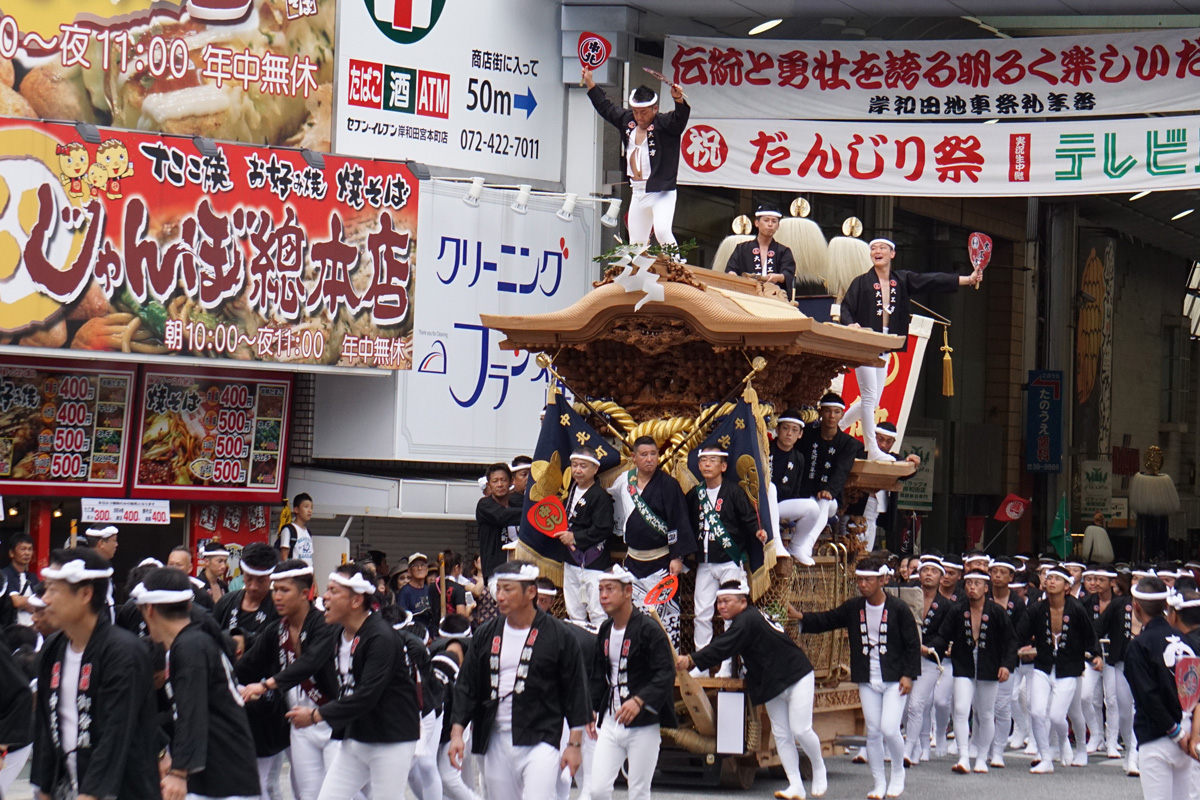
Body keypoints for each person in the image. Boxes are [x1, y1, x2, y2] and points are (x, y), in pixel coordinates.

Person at [448, 561, 591, 800]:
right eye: (499, 589)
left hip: (541, 737)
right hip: (495, 736)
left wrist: (574, 745)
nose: (500, 596)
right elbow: (467, 686)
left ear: (530, 592)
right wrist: (456, 734)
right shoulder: (486, 633)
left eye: (508, 589)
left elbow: (576, 690)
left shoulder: (559, 635)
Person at [32, 548, 161, 799]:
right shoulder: (53, 648)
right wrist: (44, 788)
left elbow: (117, 731)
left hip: (120, 790)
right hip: (68, 785)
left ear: (85, 594)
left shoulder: (123, 651)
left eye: (53, 590)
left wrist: (91, 794)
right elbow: (47, 726)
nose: (45, 599)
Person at [682, 579, 827, 800]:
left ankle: (819, 768)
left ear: (743, 602)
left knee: (800, 729)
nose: (721, 606)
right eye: (719, 602)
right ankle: (795, 784)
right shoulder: (744, 619)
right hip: (770, 681)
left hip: (795, 674)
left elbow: (723, 646)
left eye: (727, 601)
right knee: (781, 734)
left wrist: (692, 660)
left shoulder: (747, 619)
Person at [287, 563, 421, 800]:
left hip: (391, 738)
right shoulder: (340, 633)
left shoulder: (381, 637)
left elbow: (367, 695)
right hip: (357, 736)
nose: (324, 597)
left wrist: (316, 716)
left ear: (356, 600)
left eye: (333, 591)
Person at [840, 238, 981, 460]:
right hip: (866, 342)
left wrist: (967, 279)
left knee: (874, 401)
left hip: (887, 343)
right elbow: (846, 306)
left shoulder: (902, 280)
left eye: (882, 248)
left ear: (892, 254)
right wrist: (850, 324)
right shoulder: (861, 282)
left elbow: (931, 280)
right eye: (873, 248)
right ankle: (872, 449)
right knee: (868, 397)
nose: (877, 252)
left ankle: (838, 427)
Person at [793, 556, 920, 799]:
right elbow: (829, 619)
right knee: (872, 730)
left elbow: (912, 644)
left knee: (890, 728)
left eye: (868, 580)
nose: (862, 584)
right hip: (867, 676)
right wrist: (801, 617)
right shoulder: (854, 607)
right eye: (859, 579)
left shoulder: (898, 608)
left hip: (895, 677)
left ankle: (898, 774)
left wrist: (908, 675)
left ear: (882, 580)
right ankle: (878, 782)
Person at [136, 567, 260, 800]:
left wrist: (179, 772)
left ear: (149, 609)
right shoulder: (192, 640)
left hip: (224, 780)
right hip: (218, 774)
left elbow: (191, 712)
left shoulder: (189, 646)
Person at [238, 561, 340, 800]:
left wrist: (266, 685)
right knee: (307, 793)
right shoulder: (276, 630)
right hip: (299, 722)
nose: (277, 597)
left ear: (305, 594)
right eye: (275, 590)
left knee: (342, 792)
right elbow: (246, 667)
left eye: (284, 590)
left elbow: (310, 663)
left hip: (335, 719)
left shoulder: (325, 625)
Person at [588, 564, 675, 800]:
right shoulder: (605, 629)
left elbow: (666, 672)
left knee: (638, 792)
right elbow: (599, 674)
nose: (603, 596)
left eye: (610, 589)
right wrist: (592, 709)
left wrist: (639, 700)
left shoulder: (649, 629)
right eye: (601, 590)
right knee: (597, 790)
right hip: (610, 719)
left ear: (628, 592)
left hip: (643, 723)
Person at [212, 543, 286, 799]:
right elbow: (210, 639)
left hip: (264, 701)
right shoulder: (227, 603)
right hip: (229, 699)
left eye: (262, 580)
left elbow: (281, 649)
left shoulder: (279, 607)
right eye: (249, 578)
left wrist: (247, 638)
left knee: (265, 783)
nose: (254, 586)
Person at [583, 69, 689, 248]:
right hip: (638, 191)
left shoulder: (664, 124)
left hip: (661, 192)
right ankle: (639, 274)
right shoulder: (628, 120)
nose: (639, 117)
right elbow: (606, 108)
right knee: (636, 243)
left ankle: (677, 270)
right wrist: (590, 83)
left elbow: (680, 119)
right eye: (636, 112)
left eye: (644, 112)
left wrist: (678, 100)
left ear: (655, 109)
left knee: (663, 231)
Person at [686, 445, 768, 676]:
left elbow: (749, 517)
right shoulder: (694, 494)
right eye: (703, 461)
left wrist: (758, 532)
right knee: (701, 613)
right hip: (704, 562)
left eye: (712, 460)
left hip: (730, 562)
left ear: (723, 466)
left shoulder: (733, 492)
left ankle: (727, 665)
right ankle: (701, 664)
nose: (707, 465)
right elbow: (687, 524)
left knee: (730, 616)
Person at [608, 435, 695, 650]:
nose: (649, 459)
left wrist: (677, 556)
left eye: (653, 454)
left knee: (665, 615)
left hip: (662, 562)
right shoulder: (623, 482)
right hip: (633, 560)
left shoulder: (669, 485)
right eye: (644, 455)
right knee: (633, 614)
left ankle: (670, 662)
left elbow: (678, 520)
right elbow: (615, 509)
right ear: (634, 457)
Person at [927, 569, 1017, 774]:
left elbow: (1011, 641)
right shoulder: (958, 610)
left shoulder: (996, 612)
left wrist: (1006, 665)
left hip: (989, 665)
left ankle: (982, 758)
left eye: (977, 584)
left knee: (985, 714)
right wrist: (931, 648)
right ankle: (964, 757)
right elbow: (943, 635)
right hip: (964, 665)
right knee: (960, 709)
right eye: (969, 583)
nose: (972, 588)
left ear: (986, 588)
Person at [1016, 562, 1102, 773]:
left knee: (1061, 715)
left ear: (1067, 586)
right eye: (1049, 578)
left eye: (1057, 579)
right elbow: (1019, 634)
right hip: (1043, 666)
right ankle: (1046, 757)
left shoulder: (1076, 608)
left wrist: (1097, 655)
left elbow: (1090, 636)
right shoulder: (1037, 608)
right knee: (1037, 712)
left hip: (1069, 668)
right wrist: (1013, 650)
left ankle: (1079, 748)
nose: (1051, 581)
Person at [1124, 577, 1198, 799]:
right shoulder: (1189, 642)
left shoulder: (1139, 645)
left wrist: (1175, 732)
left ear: (1136, 607)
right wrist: (1191, 735)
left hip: (1159, 735)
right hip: (1188, 732)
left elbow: (1147, 695)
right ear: (1167, 606)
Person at [786, 394, 861, 566]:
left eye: (836, 412)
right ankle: (799, 547)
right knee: (813, 504)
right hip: (804, 495)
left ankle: (806, 545)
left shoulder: (848, 443)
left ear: (842, 415)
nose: (832, 416)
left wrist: (829, 490)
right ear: (820, 412)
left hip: (830, 500)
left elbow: (842, 470)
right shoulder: (807, 436)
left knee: (824, 502)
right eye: (828, 411)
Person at [902, 555, 952, 764]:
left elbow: (945, 634)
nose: (929, 574)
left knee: (917, 703)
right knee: (905, 706)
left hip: (930, 660)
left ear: (941, 577)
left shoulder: (946, 605)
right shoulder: (908, 597)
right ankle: (919, 746)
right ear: (919, 574)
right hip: (907, 657)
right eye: (925, 570)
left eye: (934, 571)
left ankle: (908, 748)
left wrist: (930, 647)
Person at [559, 446, 616, 627]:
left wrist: (574, 537)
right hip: (571, 560)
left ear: (595, 469)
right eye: (574, 465)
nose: (578, 470)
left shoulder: (601, 497)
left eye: (583, 466)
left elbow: (603, 528)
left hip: (594, 562)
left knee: (598, 611)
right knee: (574, 612)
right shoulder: (568, 493)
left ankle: (600, 652)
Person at [987, 556, 1028, 763]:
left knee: (1002, 705)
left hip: (1008, 657)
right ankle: (983, 746)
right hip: (984, 655)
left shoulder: (1017, 602)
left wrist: (1009, 656)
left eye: (1003, 572)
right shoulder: (983, 596)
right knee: (983, 707)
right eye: (994, 572)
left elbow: (1018, 634)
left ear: (1011, 576)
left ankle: (998, 751)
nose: (997, 576)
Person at [725, 205, 797, 295]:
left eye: (774, 221)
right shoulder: (742, 248)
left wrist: (780, 277)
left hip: (774, 299)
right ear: (757, 223)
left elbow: (788, 273)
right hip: (747, 296)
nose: (770, 224)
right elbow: (731, 269)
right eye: (766, 220)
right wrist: (732, 275)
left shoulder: (784, 251)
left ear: (778, 226)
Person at [769, 408, 807, 557]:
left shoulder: (798, 458)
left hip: (783, 506)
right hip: (763, 503)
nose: (789, 433)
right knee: (770, 487)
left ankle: (797, 547)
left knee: (813, 508)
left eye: (794, 430)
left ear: (800, 434)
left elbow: (796, 489)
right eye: (785, 428)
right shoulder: (766, 449)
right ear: (777, 429)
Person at [477, 464, 523, 580]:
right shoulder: (484, 505)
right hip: (496, 572)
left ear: (511, 481)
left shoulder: (517, 504)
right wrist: (532, 513)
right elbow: (501, 516)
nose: (500, 485)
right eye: (495, 481)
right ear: (489, 485)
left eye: (503, 480)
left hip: (520, 570)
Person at [82, 526, 119, 621]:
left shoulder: (104, 567)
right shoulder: (86, 568)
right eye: (114, 541)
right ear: (101, 543)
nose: (116, 545)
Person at [399, 552, 441, 628]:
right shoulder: (405, 592)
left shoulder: (430, 590)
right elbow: (402, 619)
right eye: (415, 565)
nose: (420, 568)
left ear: (427, 569)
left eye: (423, 565)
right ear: (409, 570)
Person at [3, 533, 35, 628]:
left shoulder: (33, 577)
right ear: (11, 553)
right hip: (11, 631)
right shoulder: (5, 574)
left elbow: (43, 601)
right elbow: (17, 601)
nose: (27, 553)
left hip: (32, 631)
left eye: (30, 549)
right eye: (23, 549)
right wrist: (34, 602)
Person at [277, 493, 315, 564]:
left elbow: (310, 559)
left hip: (307, 573)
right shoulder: (289, 530)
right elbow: (284, 558)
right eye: (306, 507)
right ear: (296, 510)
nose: (310, 510)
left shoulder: (308, 532)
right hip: (295, 573)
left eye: (311, 507)